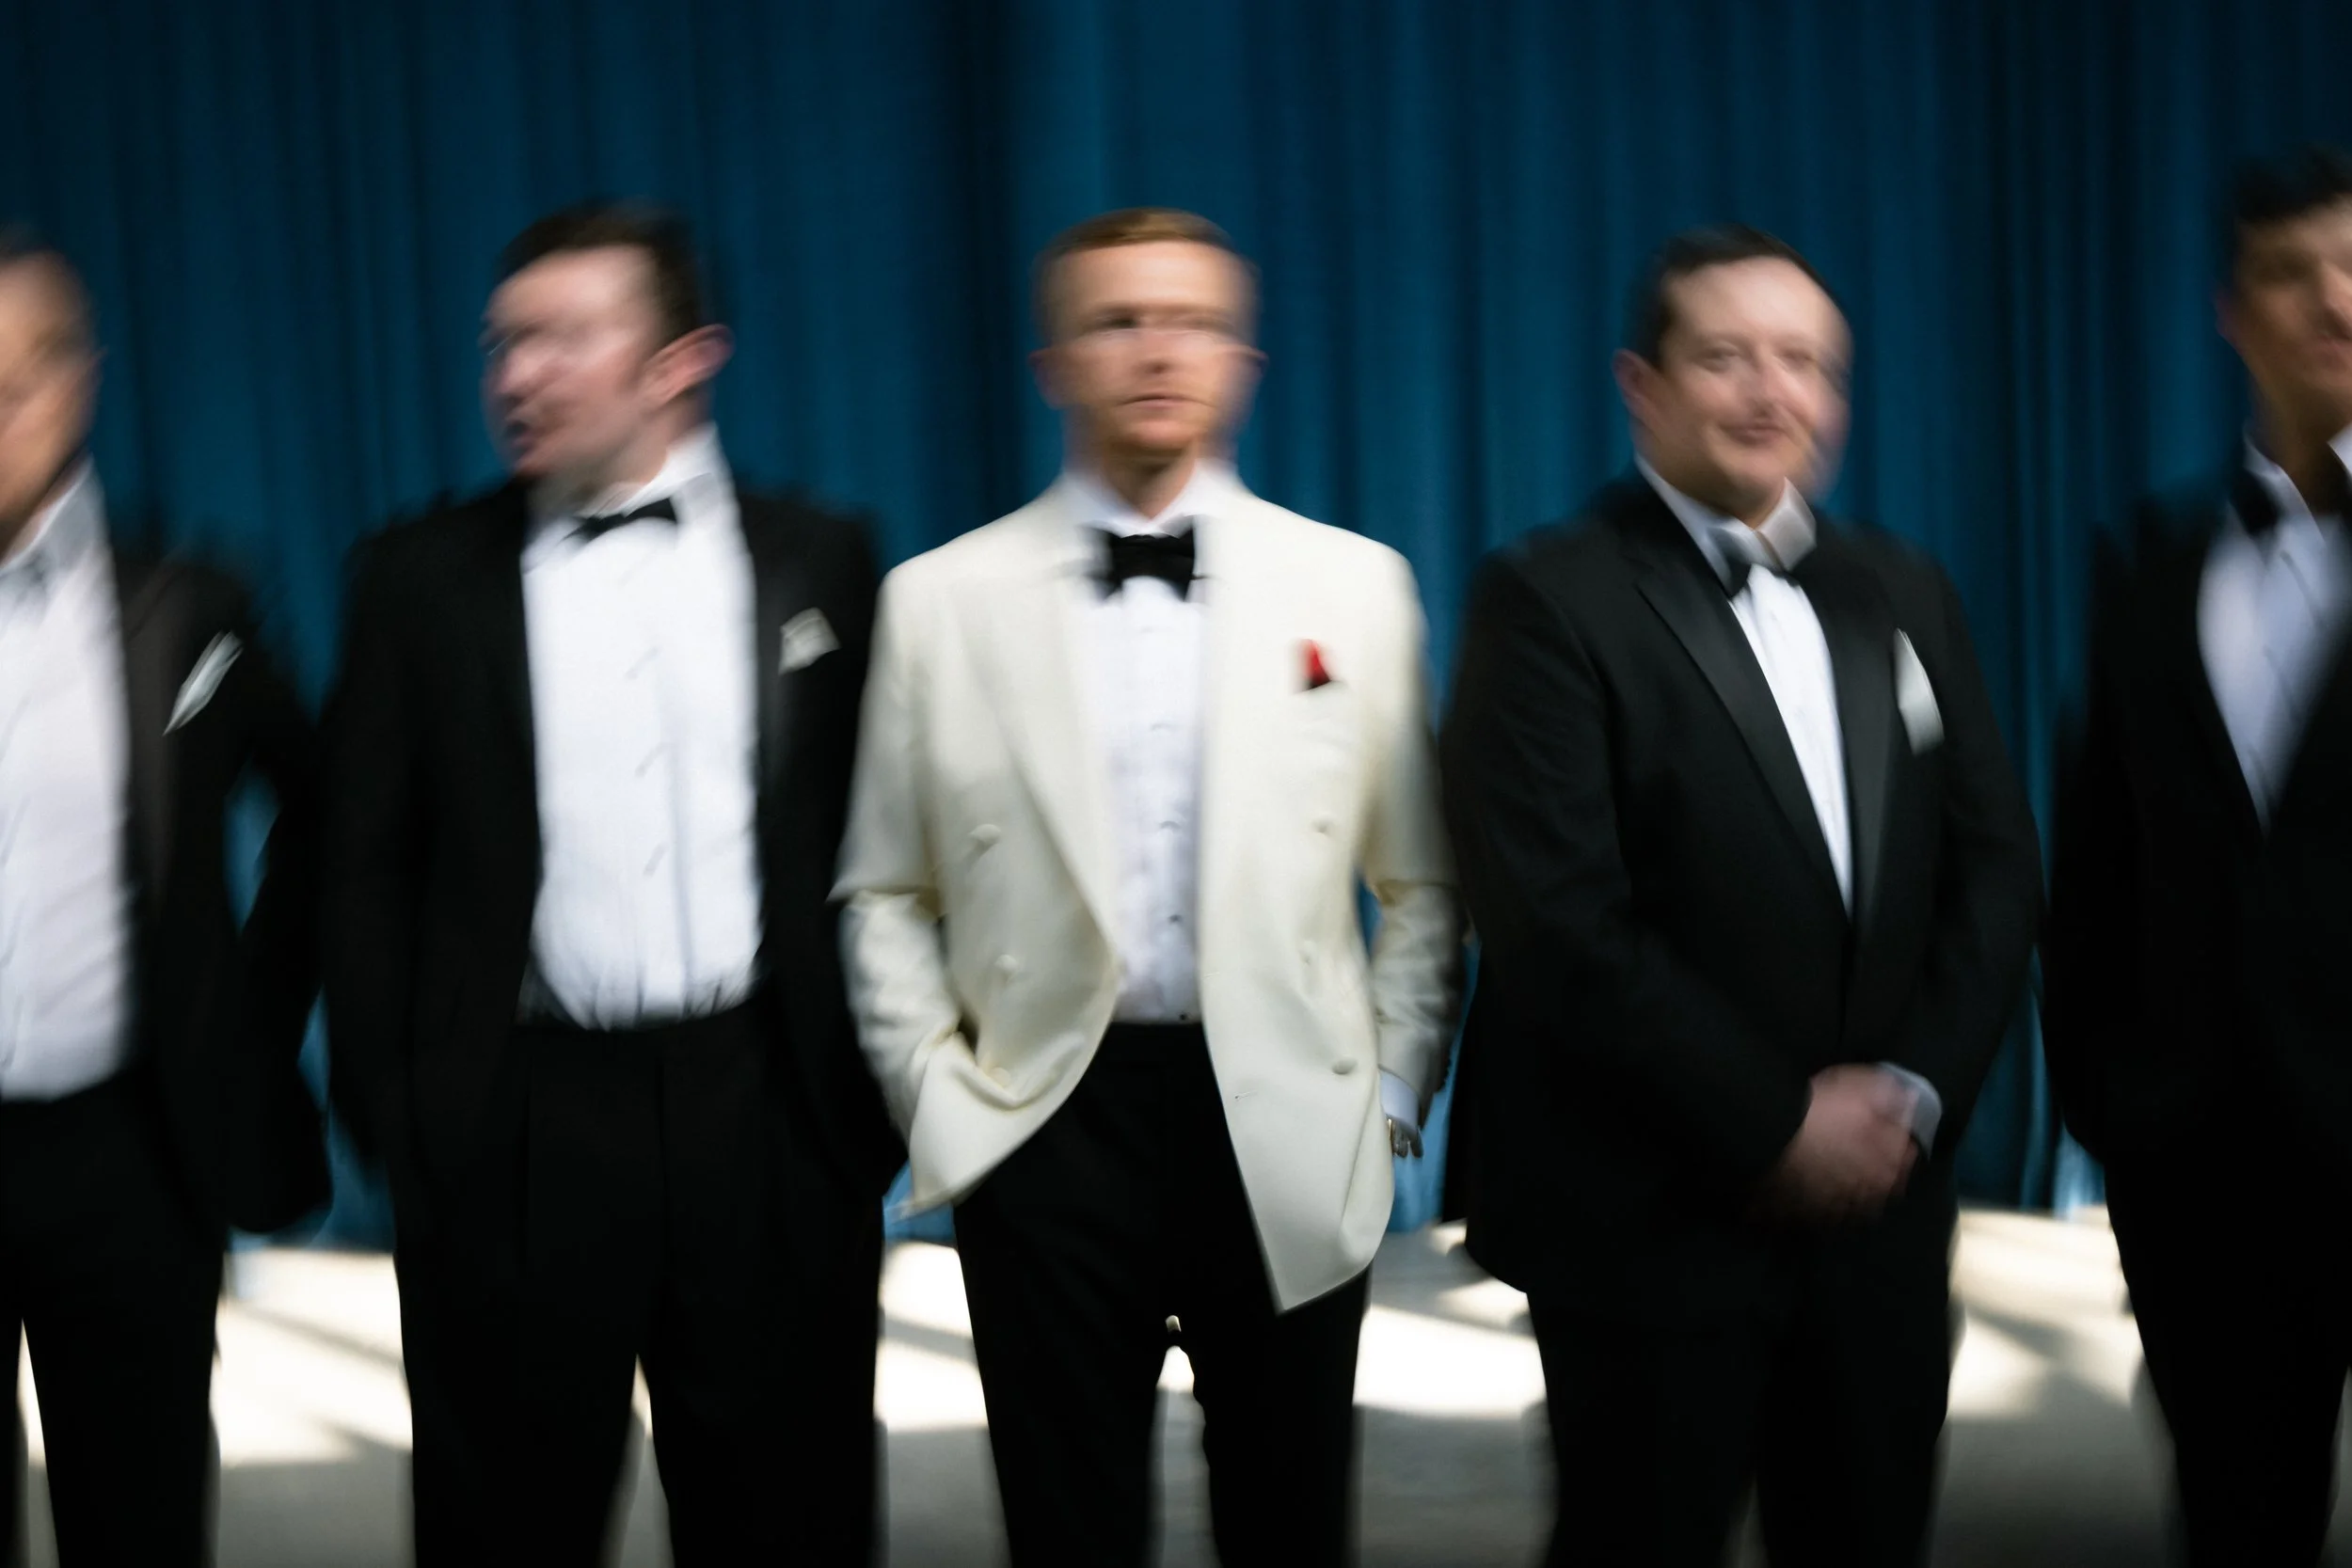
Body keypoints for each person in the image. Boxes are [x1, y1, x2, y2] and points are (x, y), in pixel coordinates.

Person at [834, 207, 1462, 1566]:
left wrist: (1393, 1101)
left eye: (1191, 320)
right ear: (1055, 357)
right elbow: (880, 888)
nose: (1157, 350)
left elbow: (1422, 885)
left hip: (1288, 1114)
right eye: (1118, 320)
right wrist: (937, 1091)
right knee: (1066, 1529)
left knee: (1293, 1520)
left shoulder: (1357, 588)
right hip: (1044, 1123)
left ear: (1243, 356)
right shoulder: (938, 600)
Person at [1442, 224, 2041, 1567]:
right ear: (1639, 385)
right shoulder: (1547, 595)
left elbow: (1997, 868)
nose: (1775, 393)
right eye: (1726, 357)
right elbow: (1556, 923)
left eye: (1807, 362)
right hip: (1650, 1213)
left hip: (1881, 1217)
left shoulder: (1906, 589)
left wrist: (1910, 1102)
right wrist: (1777, 1124)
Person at [321, 201, 898, 1562]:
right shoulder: (414, 580)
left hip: (770, 1113)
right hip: (514, 1122)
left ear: (685, 358)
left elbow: (884, 833)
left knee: (790, 1517)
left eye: (562, 339)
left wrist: (866, 1103)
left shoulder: (824, 557)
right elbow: (355, 865)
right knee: (504, 1525)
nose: (515, 377)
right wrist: (403, 1111)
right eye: (501, 344)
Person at [2044, 144, 2352, 1568]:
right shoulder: (2151, 555)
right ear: (2233, 312)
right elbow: (2098, 851)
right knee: (2236, 1518)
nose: (2334, 302)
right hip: (2201, 1164)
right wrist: (2112, 1097)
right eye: (2292, 274)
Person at [0, 232, 325, 1563]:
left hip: (128, 1150)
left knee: (136, 1515)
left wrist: (240, 1019)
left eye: (15, 377)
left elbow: (323, 808)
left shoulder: (191, 600)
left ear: (78, 384)